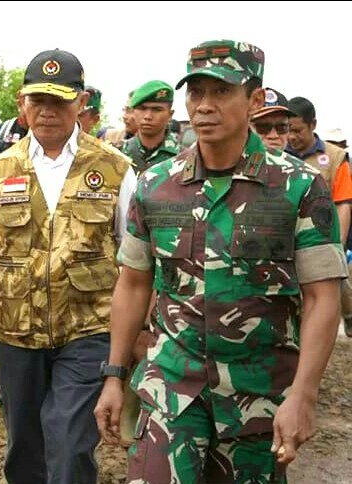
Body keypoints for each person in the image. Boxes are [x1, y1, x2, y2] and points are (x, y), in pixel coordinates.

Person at [94, 39, 347, 483]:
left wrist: (304, 394)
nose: (204, 106)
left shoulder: (298, 186)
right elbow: (133, 284)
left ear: (253, 100)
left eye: (221, 92)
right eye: (196, 93)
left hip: (257, 396)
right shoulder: (156, 185)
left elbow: (322, 296)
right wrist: (114, 376)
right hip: (172, 389)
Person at [0, 48, 137, 484]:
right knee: (24, 451)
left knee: (70, 445)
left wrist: (137, 335)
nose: (48, 112)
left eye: (60, 101)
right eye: (39, 101)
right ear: (22, 103)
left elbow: (136, 261)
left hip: (88, 333)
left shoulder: (115, 170)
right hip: (17, 336)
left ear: (82, 103)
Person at [286, 96, 352, 337]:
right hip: (286, 240)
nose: (291, 137)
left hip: (321, 240)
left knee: (333, 289)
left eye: (297, 130)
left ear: (313, 125)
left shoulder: (334, 158)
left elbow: (343, 203)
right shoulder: (279, 155)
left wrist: (338, 246)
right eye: (288, 129)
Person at [121, 80, 181, 173]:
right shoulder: (118, 154)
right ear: (133, 112)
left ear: (170, 115)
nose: (148, 116)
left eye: (157, 109)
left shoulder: (184, 158)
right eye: (142, 109)